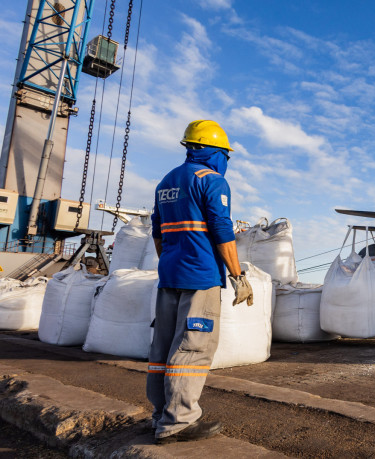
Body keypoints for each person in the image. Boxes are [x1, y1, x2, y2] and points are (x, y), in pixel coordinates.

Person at [148, 120, 253, 445]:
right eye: (225, 155)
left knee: (163, 346)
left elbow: (157, 232)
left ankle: (160, 415)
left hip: (169, 277)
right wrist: (238, 275)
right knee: (193, 346)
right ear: (214, 152)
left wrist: (171, 263)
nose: (226, 161)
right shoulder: (212, 180)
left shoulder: (166, 182)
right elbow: (222, 230)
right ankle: (178, 421)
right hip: (199, 277)